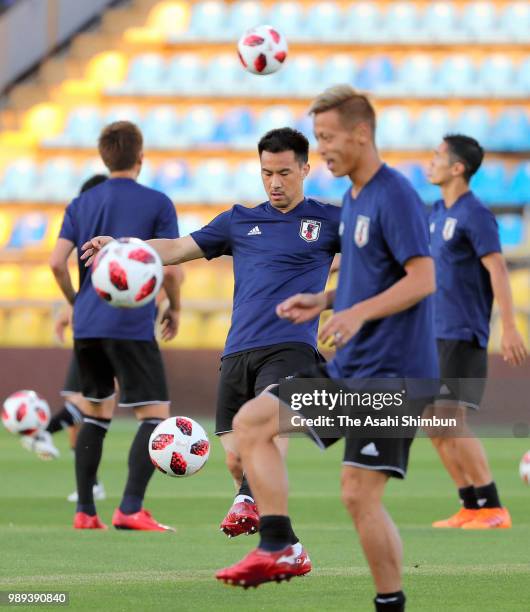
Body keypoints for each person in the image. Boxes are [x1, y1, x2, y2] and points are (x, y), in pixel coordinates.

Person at [211, 85, 438, 612]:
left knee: (359, 496)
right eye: (318, 137)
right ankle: (279, 545)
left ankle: (390, 603)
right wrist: (328, 298)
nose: (324, 148)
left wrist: (355, 312)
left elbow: (424, 277)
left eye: (329, 138)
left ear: (361, 134)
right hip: (351, 371)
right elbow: (367, 275)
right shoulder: (355, 200)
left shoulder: (393, 194)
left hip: (393, 378)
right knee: (251, 424)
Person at [82, 128, 341, 567]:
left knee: (267, 427)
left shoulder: (329, 221)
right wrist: (126, 248)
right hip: (238, 351)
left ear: (304, 169)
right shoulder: (239, 220)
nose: (274, 182)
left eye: (283, 173)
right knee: (239, 459)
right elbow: (180, 248)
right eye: (266, 173)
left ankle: (247, 504)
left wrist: (341, 306)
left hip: (292, 347)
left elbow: (371, 266)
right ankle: (290, 546)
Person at [50, 121, 182, 530]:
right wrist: (174, 307)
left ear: (105, 157)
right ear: (140, 158)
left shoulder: (82, 203)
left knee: (95, 411)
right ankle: (129, 507)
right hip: (131, 323)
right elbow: (173, 267)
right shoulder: (158, 203)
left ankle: (85, 511)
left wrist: (78, 301)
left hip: (87, 324)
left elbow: (56, 262)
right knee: (154, 414)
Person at [427, 134, 527, 529]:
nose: (430, 162)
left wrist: (511, 325)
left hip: (463, 331)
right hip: (432, 331)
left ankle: (494, 506)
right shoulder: (435, 211)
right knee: (435, 425)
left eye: (437, 156)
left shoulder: (476, 214)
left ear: (457, 167)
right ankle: (471, 505)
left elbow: (498, 268)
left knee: (451, 421)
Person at [21, 174, 108, 502]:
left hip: (105, 328)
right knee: (86, 399)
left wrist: (74, 305)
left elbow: (59, 264)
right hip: (100, 326)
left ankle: (44, 433)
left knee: (93, 401)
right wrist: (71, 306)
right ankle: (91, 486)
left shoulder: (105, 226)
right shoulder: (98, 230)